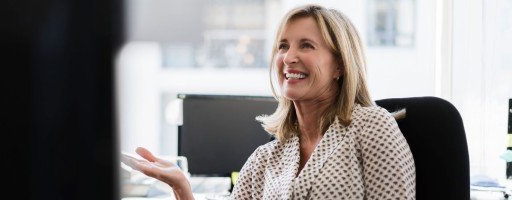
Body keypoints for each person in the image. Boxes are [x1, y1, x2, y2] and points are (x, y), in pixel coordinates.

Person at [122, 4, 415, 200]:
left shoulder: (371, 127)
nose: (288, 57)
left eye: (306, 46)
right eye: (283, 46)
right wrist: (182, 186)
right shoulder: (267, 158)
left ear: (340, 65)